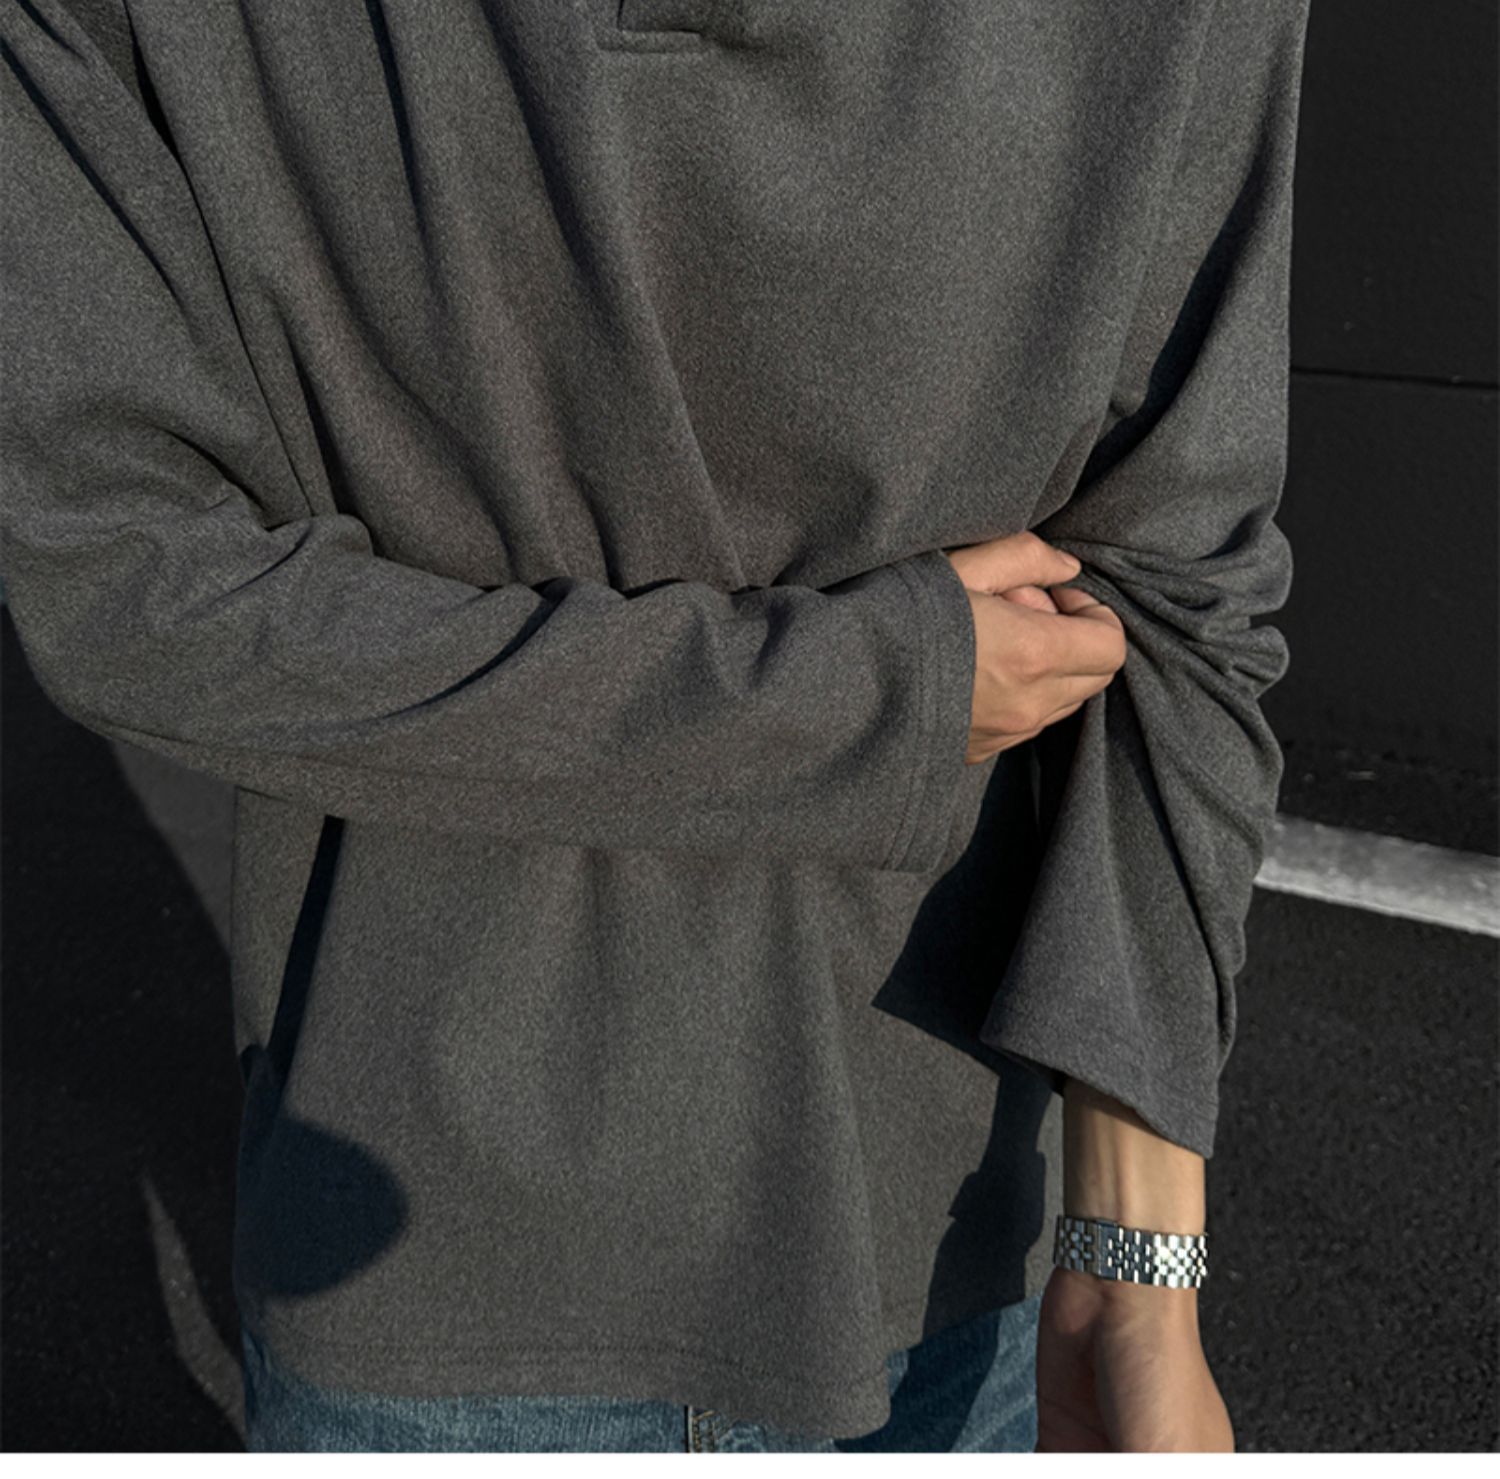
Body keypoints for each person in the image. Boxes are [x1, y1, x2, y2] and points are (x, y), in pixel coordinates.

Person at [0, 0, 1310, 1453]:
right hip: (546, 1264)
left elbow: (1172, 596)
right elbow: (113, 578)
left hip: (878, 1257)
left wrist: (1135, 1273)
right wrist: (852, 698)